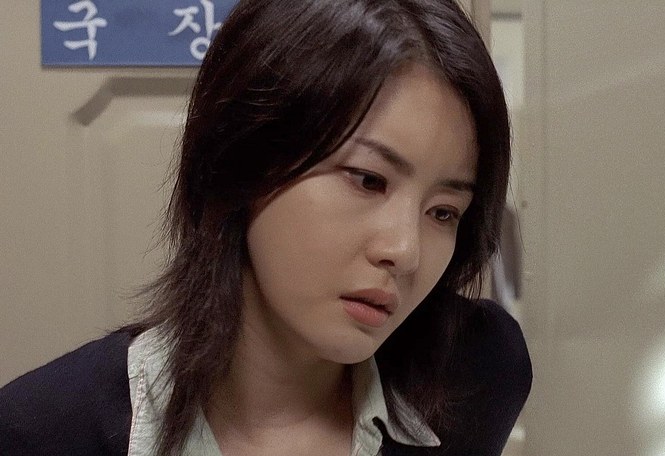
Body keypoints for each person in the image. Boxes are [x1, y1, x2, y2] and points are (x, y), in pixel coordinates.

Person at [0, 0, 532, 454]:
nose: (405, 250)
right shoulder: (44, 430)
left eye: (443, 212)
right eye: (368, 180)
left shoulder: (475, 375)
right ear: (243, 157)